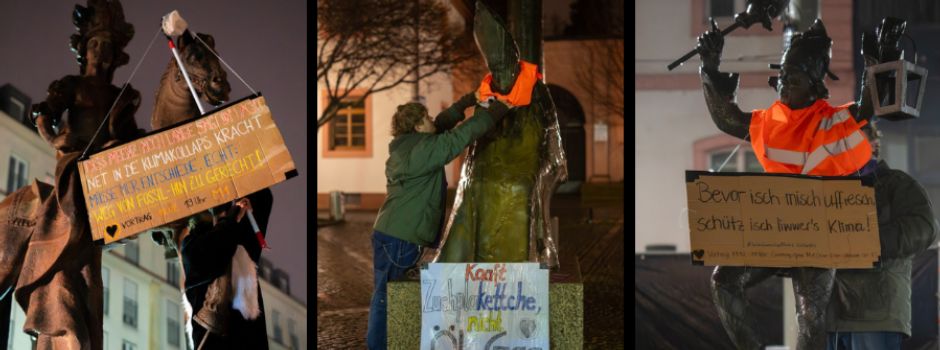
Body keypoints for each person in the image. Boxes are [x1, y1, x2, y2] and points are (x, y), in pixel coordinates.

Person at [697, 18, 897, 349]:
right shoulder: (768, 122)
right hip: (776, 228)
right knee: (724, 280)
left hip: (819, 237)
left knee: (811, 317)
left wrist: (880, 62)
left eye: (795, 78)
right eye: (783, 77)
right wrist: (709, 64)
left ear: (815, 86)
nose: (785, 84)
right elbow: (726, 118)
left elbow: (870, 106)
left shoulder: (834, 121)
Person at [366, 91, 512, 349]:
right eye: (427, 117)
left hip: (392, 232)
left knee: (384, 294)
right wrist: (499, 109)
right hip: (400, 236)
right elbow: (459, 137)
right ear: (418, 126)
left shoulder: (409, 145)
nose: (432, 120)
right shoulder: (421, 152)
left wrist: (470, 99)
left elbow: (443, 124)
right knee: (384, 298)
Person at [826, 121, 938, 350]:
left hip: (875, 313)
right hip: (829, 315)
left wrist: (868, 242)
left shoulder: (897, 185)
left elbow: (925, 228)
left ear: (874, 146)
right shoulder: (827, 189)